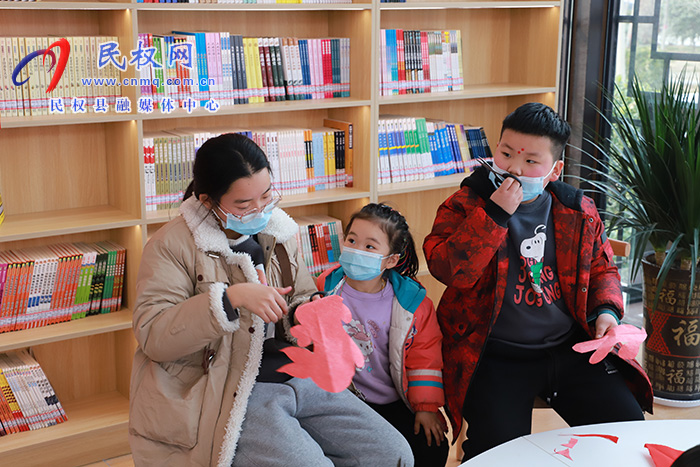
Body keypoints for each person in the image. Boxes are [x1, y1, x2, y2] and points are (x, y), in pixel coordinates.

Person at [129, 134, 413, 466]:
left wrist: (307, 312)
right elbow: (154, 335)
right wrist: (230, 299)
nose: (260, 210)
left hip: (294, 371)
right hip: (228, 387)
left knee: (393, 454)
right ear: (207, 201)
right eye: (244, 205)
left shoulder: (278, 231)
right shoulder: (172, 245)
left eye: (266, 196)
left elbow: (301, 296)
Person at [422, 103, 654, 461]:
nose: (514, 168)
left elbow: (603, 270)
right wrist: (495, 215)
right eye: (505, 153)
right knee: (496, 453)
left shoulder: (576, 211)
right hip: (495, 352)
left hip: (569, 346)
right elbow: (450, 271)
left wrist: (606, 313)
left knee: (626, 427)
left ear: (554, 170)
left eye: (531, 161)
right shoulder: (465, 204)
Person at [317, 203, 449, 467]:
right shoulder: (326, 287)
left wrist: (425, 408)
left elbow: (425, 358)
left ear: (391, 260)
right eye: (352, 240)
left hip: (394, 399)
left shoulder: (411, 303)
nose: (356, 250)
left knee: (432, 448)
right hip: (346, 400)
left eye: (369, 246)